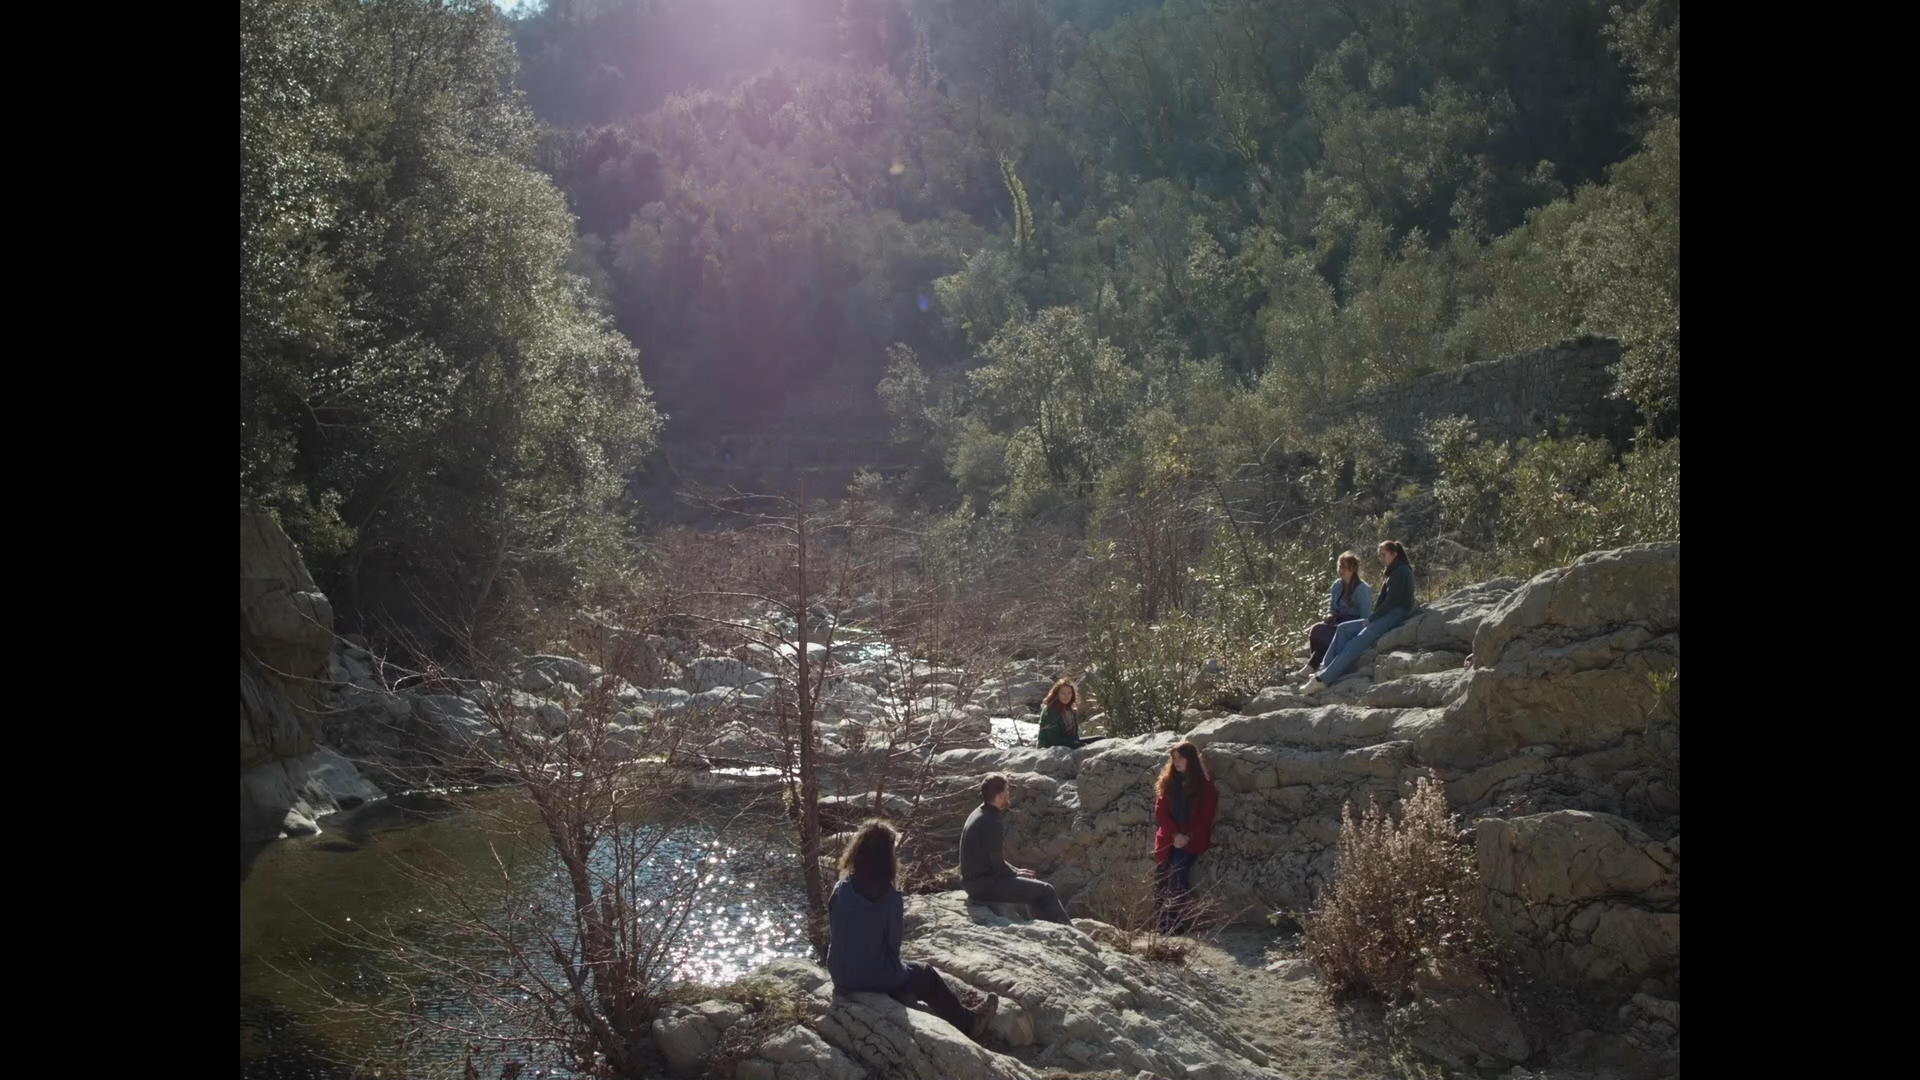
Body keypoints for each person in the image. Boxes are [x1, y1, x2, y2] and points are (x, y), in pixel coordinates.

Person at [827, 818, 1000, 1040]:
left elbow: (835, 929)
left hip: (838, 974)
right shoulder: (889, 898)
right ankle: (969, 1023)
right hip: (865, 977)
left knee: (901, 970)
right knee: (925, 974)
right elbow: (893, 948)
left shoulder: (841, 887)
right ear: (886, 857)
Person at [1302, 541, 1416, 696]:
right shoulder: (1393, 571)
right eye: (1379, 555)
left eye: (1383, 555)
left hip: (1396, 614)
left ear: (1394, 554)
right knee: (1343, 629)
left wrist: (1372, 618)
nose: (1380, 559)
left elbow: (1391, 602)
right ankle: (1324, 669)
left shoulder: (1400, 571)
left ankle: (1322, 680)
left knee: (1357, 641)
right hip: (1389, 613)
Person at [958, 775, 1071, 923]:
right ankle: (1065, 931)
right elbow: (998, 865)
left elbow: (993, 861)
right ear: (999, 796)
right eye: (1007, 790)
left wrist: (1017, 872)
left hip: (974, 883)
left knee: (1034, 888)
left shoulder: (979, 813)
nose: (1008, 794)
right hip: (983, 886)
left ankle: (1046, 926)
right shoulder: (991, 822)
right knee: (1046, 890)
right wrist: (1015, 873)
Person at [1152, 740, 1218, 935]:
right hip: (1168, 839)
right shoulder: (1168, 782)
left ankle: (1172, 926)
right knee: (1160, 879)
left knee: (1177, 874)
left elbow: (1205, 816)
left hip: (1190, 840)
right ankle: (1162, 925)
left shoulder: (1203, 785)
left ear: (1191, 759)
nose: (1177, 762)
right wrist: (1174, 834)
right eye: (1174, 758)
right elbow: (1161, 811)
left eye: (1180, 758)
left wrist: (1186, 836)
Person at [1297, 552, 1372, 677]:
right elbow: (1332, 608)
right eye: (1340, 566)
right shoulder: (1337, 585)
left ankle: (1311, 668)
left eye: (1344, 567)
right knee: (1316, 630)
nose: (1341, 570)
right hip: (1337, 620)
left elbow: (1365, 617)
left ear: (1352, 569)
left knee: (1329, 638)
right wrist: (1329, 614)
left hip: (1351, 626)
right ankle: (1314, 664)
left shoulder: (1362, 588)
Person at [1036, 678, 1105, 749]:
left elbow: (1075, 737)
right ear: (1057, 694)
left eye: (1069, 693)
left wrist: (1077, 743)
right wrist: (1079, 745)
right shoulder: (1050, 710)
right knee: (1085, 747)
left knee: (1101, 739)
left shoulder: (1071, 709)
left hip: (1070, 743)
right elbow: (1054, 740)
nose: (1066, 696)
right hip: (1049, 747)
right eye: (1063, 693)